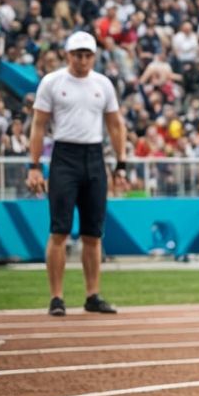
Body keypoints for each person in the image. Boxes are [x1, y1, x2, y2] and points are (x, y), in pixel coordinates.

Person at [25, 30, 126, 316]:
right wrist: (34, 166)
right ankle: (56, 297)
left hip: (94, 156)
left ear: (94, 56)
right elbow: (38, 126)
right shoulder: (53, 82)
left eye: (87, 55)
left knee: (93, 233)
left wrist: (121, 163)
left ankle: (92, 294)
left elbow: (115, 125)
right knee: (60, 230)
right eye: (77, 55)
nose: (82, 61)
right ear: (67, 55)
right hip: (64, 157)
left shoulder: (103, 84)